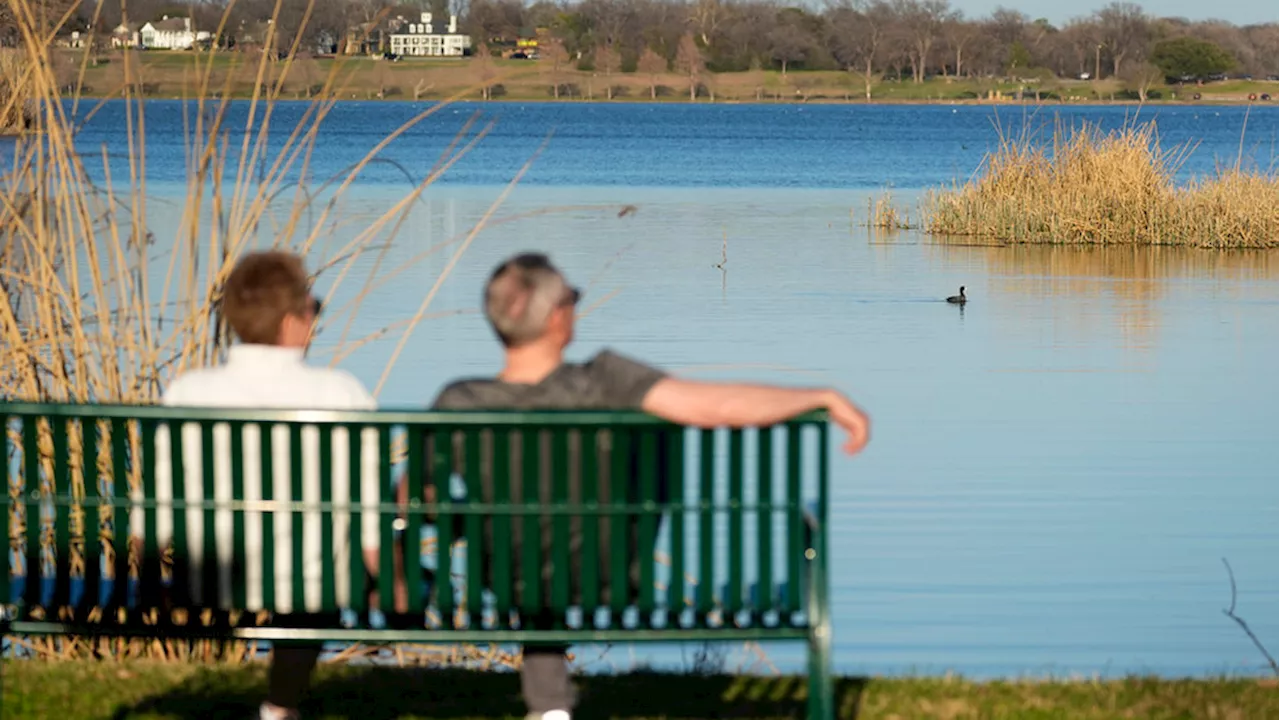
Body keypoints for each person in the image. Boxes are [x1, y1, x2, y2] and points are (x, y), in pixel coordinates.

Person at [428, 251, 871, 720]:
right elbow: (715, 406)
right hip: (612, 576)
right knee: (578, 527)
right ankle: (549, 704)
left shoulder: (458, 401)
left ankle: (550, 707)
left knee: (531, 547)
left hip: (507, 581)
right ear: (558, 317)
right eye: (573, 299)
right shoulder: (605, 380)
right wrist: (821, 396)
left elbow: (417, 500)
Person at [142, 250, 393, 720]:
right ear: (292, 320)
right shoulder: (342, 393)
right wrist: (387, 578)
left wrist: (143, 577)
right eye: (313, 308)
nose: (314, 320)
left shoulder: (188, 391)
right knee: (316, 584)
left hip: (208, 581)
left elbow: (152, 509)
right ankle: (280, 707)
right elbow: (371, 518)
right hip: (311, 586)